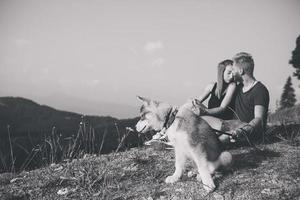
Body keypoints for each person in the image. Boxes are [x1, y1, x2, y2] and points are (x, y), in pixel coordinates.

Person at [229, 52, 270, 142]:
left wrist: (242, 131)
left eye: (233, 70)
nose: (231, 73)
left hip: (247, 136)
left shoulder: (260, 90)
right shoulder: (237, 88)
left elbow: (259, 119)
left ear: (240, 71)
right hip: (233, 128)